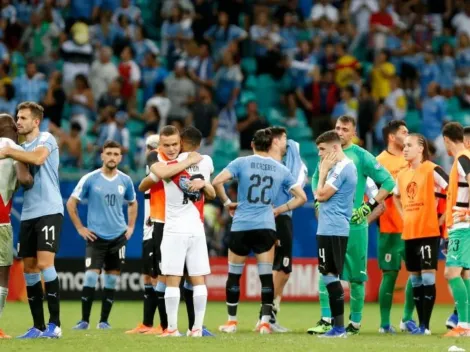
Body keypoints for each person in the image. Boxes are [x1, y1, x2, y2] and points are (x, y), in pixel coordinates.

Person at [213, 128, 307, 334]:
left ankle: (231, 322)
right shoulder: (280, 169)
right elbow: (302, 197)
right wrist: (281, 209)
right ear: (271, 144)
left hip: (242, 224)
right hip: (266, 225)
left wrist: (228, 202)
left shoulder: (241, 162)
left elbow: (216, 182)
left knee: (234, 275)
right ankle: (265, 322)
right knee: (266, 277)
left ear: (253, 145)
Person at [309, 115, 395, 335]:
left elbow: (388, 182)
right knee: (326, 273)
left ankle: (354, 323)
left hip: (355, 226)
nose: (339, 131)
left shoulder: (360, 156)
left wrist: (368, 207)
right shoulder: (326, 154)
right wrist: (318, 203)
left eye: (345, 129)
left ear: (354, 133)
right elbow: (315, 180)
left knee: (356, 277)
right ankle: (326, 319)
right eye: (337, 127)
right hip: (332, 222)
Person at [136, 125, 213, 336]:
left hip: (175, 228)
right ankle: (196, 329)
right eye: (167, 145)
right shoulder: (204, 161)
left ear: (181, 143)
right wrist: (201, 179)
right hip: (196, 227)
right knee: (196, 279)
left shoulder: (166, 165)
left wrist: (201, 182)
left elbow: (146, 183)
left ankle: (172, 328)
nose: (170, 149)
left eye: (174, 144)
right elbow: (212, 192)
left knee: (172, 279)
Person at [0, 102, 63, 339]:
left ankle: (55, 325)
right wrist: (14, 156)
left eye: (24, 118)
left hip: (49, 209)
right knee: (29, 269)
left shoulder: (46, 138)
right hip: (28, 213)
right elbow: (26, 180)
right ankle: (38, 327)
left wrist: (8, 151)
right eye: (17, 117)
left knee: (46, 264)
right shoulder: (20, 148)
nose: (19, 121)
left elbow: (38, 159)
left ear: (36, 121)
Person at [67, 140, 137, 330]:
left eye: (116, 154)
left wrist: (130, 227)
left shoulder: (125, 180)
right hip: (96, 238)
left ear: (120, 157)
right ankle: (84, 321)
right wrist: (81, 228)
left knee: (112, 279)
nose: (113, 157)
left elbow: (133, 202)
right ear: (102, 156)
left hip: (118, 237)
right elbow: (71, 204)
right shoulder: (90, 178)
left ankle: (104, 321)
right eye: (109, 154)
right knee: (90, 277)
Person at [394, 133, 448, 335]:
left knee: (427, 279)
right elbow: (396, 197)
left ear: (420, 148)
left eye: (409, 145)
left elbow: (451, 190)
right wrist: (404, 215)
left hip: (428, 232)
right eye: (403, 146)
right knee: (415, 280)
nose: (405, 149)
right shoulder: (402, 174)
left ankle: (425, 325)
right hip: (410, 232)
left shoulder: (432, 169)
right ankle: (420, 324)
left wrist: (440, 220)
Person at [255, 126, 307, 332]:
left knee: (281, 270)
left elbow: (300, 173)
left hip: (281, 216)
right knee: (282, 269)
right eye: (285, 138)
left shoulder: (284, 161)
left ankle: (268, 315)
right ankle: (266, 316)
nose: (289, 142)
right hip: (277, 217)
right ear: (276, 141)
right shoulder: (267, 164)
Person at [375, 120, 417, 333]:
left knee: (417, 273)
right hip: (390, 228)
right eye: (404, 132)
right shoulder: (379, 162)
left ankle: (407, 319)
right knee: (389, 275)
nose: (408, 135)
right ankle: (384, 323)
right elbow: (373, 196)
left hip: (413, 226)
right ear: (392, 137)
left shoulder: (412, 160)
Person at [315, 130, 358, 338]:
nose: (319, 154)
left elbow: (320, 195)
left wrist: (323, 171)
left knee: (331, 277)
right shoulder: (341, 167)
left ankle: (339, 328)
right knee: (328, 276)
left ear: (334, 148)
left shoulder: (342, 168)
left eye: (322, 149)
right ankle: (337, 326)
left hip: (333, 228)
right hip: (330, 227)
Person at [0, 114, 33, 339]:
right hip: (1, 220)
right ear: (13, 127)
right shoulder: (15, 150)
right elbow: (25, 180)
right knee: (2, 274)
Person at [125, 134, 162, 334]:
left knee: (157, 277)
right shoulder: (152, 168)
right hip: (148, 229)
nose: (148, 151)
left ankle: (162, 325)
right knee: (147, 277)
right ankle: (147, 324)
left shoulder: (159, 165)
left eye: (150, 147)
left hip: (157, 226)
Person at [441, 122, 470, 337]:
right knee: (466, 274)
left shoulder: (462, 159)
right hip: (461, 225)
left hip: (463, 225)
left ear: (447, 140)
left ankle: (463, 325)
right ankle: (466, 325)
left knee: (451, 272)